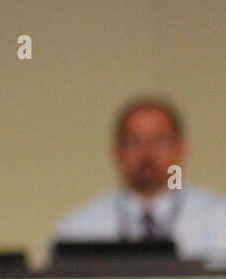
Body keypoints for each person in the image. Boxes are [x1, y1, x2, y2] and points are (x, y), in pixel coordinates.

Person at [52, 98, 226, 267]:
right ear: (115, 151)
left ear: (182, 148)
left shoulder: (218, 218)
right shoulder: (79, 228)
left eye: (159, 140)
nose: (147, 153)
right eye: (134, 141)